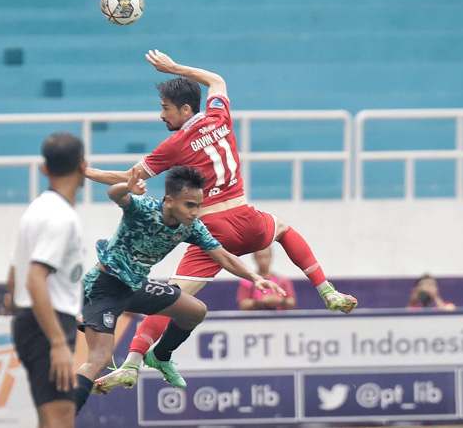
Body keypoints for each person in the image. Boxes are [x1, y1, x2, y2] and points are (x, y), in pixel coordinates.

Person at [86, 50, 357, 392]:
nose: (161, 114)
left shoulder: (174, 144)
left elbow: (125, 178)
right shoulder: (219, 117)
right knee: (284, 229)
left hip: (213, 230)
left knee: (169, 297)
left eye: (166, 107)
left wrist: (84, 171)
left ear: (185, 109)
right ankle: (327, 291)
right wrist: (174, 68)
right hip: (248, 220)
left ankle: (132, 363)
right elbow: (216, 80)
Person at [73, 165, 285, 410]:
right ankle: (65, 417)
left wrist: (254, 277)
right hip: (103, 287)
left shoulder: (192, 226)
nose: (195, 212)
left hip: (135, 287)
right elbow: (115, 194)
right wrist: (127, 187)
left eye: (198, 205)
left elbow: (224, 257)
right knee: (99, 359)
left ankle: (160, 356)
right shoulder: (144, 209)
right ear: (169, 200)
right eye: (189, 205)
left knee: (195, 310)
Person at [10, 132, 87, 428]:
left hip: (34, 320)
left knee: (49, 417)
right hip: (48, 324)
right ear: (83, 166)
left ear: (44, 169)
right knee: (61, 417)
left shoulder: (37, 210)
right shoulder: (60, 217)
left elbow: (14, 272)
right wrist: (57, 342)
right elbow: (34, 278)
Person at [236, 246, 297, 311]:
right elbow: (243, 306)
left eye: (266, 256)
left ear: (271, 257)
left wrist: (281, 301)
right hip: (256, 320)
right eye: (259, 257)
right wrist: (260, 302)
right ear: (255, 259)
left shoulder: (283, 280)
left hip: (279, 319)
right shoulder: (247, 282)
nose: (263, 260)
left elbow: (292, 303)